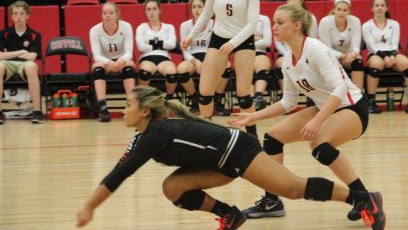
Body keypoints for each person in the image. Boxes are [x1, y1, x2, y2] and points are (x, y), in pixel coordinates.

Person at [76, 85, 386, 230]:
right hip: (217, 163)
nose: (123, 109)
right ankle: (230, 215)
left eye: (128, 105)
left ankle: (361, 198)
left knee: (291, 189)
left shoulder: (153, 134)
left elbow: (117, 176)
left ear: (144, 111)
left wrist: (89, 208)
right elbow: (120, 169)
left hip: (237, 150)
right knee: (172, 188)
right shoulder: (145, 135)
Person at [229, 3, 374, 224]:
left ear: (297, 25)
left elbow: (341, 88)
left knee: (319, 146)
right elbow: (288, 102)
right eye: (274, 22)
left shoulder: (315, 48)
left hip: (352, 107)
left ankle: (364, 198)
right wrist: (252, 117)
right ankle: (272, 200)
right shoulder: (288, 60)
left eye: (280, 22)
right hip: (324, 106)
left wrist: (317, 121)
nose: (274, 27)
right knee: (273, 138)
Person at [181, 0, 267, 138]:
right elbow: (206, 13)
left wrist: (233, 44)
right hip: (219, 37)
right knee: (205, 91)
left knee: (243, 92)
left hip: (242, 39)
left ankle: (252, 137)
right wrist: (191, 36)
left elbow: (252, 23)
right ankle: (206, 135)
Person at [362, 0, 408, 114]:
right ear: (372, 8)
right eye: (377, 5)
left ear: (387, 8)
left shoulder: (394, 24)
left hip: (392, 53)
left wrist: (392, 56)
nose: (379, 8)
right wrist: (385, 58)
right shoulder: (367, 25)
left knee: (406, 63)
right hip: (375, 54)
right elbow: (371, 46)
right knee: (377, 63)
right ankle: (371, 101)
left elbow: (394, 43)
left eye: (382, 5)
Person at [178, 0, 231, 114]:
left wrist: (208, 61)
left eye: (199, 7)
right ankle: (195, 101)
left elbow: (218, 46)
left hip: (211, 55)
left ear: (206, 9)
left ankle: (217, 101)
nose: (196, 10)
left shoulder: (214, 24)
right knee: (181, 69)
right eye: (194, 7)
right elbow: (184, 50)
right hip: (192, 57)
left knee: (227, 65)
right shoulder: (185, 25)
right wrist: (195, 62)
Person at [89, 2, 136, 122]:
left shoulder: (126, 27)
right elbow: (96, 55)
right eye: (104, 13)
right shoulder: (94, 30)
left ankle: (131, 105)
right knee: (97, 67)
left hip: (122, 60)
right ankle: (103, 107)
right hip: (105, 62)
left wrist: (120, 61)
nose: (107, 15)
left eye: (111, 13)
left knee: (130, 65)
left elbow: (129, 52)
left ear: (117, 14)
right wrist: (109, 62)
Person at [0, 0, 43, 124]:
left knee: (30, 67)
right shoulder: (4, 33)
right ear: (12, 16)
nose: (18, 17)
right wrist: (21, 52)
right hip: (8, 64)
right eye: (16, 14)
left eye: (22, 13)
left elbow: (32, 57)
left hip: (25, 65)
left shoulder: (35, 35)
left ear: (27, 16)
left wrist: (8, 54)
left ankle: (37, 111)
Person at [318, 0, 364, 90]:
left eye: (345, 10)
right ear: (334, 10)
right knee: (328, 63)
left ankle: (358, 96)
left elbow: (356, 45)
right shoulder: (325, 22)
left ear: (349, 12)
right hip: (331, 55)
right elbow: (326, 48)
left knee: (358, 62)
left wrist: (353, 54)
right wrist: (341, 56)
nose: (341, 12)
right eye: (339, 9)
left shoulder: (355, 21)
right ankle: (332, 94)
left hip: (348, 55)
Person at [136, 0, 179, 99]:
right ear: (145, 12)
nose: (151, 12)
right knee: (144, 73)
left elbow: (172, 44)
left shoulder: (168, 27)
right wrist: (162, 44)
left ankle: (168, 99)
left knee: (172, 74)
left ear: (160, 11)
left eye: (154, 9)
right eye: (149, 9)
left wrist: (150, 42)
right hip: (147, 58)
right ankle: (143, 99)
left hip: (164, 58)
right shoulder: (142, 27)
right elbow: (141, 47)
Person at [253, 14, 273, 111]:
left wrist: (248, 41)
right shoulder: (237, 18)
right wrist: (257, 39)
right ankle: (252, 99)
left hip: (260, 52)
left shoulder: (264, 19)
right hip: (242, 53)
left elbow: (268, 42)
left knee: (262, 64)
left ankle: (258, 96)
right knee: (245, 69)